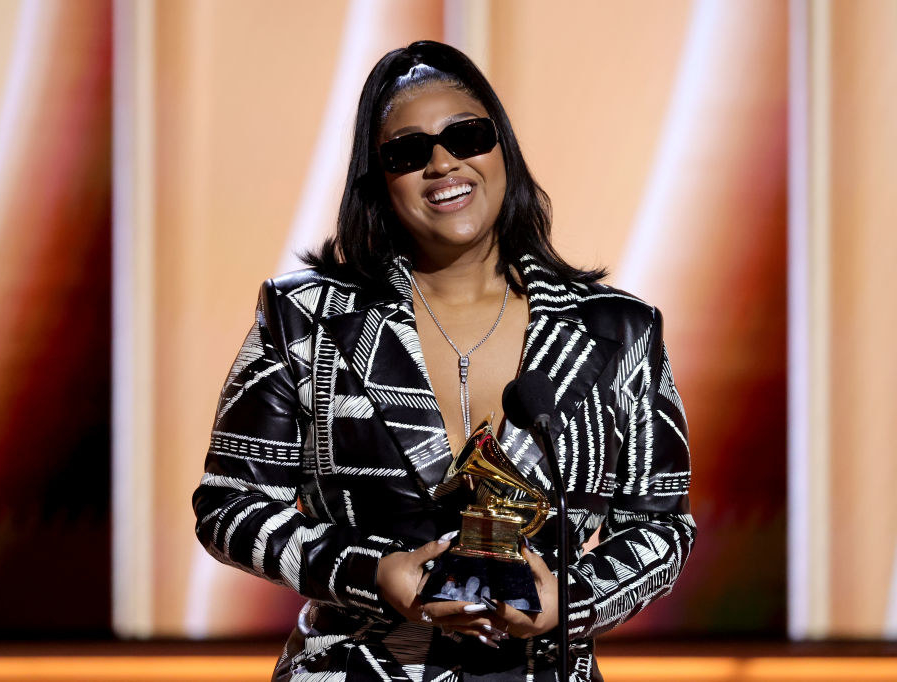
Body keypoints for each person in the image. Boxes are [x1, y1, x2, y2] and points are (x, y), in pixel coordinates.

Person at [192, 40, 696, 681]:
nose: (442, 163)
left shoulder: (617, 332)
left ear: (501, 151)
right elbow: (229, 507)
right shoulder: (305, 320)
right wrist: (372, 574)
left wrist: (564, 600)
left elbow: (663, 530)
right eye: (408, 152)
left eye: (466, 136)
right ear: (378, 181)